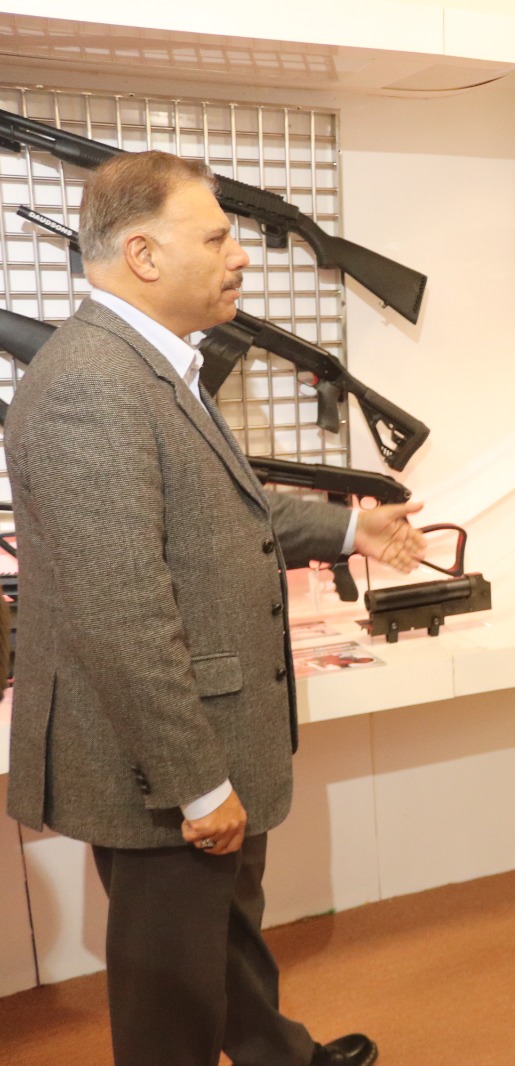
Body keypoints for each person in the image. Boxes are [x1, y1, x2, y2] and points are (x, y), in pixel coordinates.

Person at [4, 151, 429, 1066]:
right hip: (161, 757)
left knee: (219, 941)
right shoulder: (92, 385)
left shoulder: (145, 366)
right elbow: (121, 611)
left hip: (199, 727)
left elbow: (221, 509)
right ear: (145, 255)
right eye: (217, 237)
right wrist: (197, 785)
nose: (240, 256)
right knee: (171, 999)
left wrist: (350, 528)